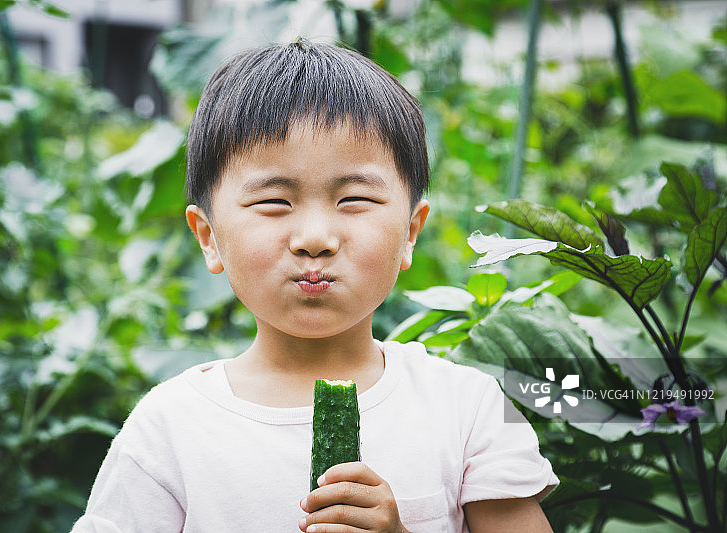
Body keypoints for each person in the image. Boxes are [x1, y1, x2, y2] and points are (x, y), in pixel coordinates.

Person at [71, 38, 558, 533]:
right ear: (209, 237)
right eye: (274, 202)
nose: (315, 239)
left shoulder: (467, 407)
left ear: (410, 233)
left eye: (354, 199)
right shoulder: (168, 429)